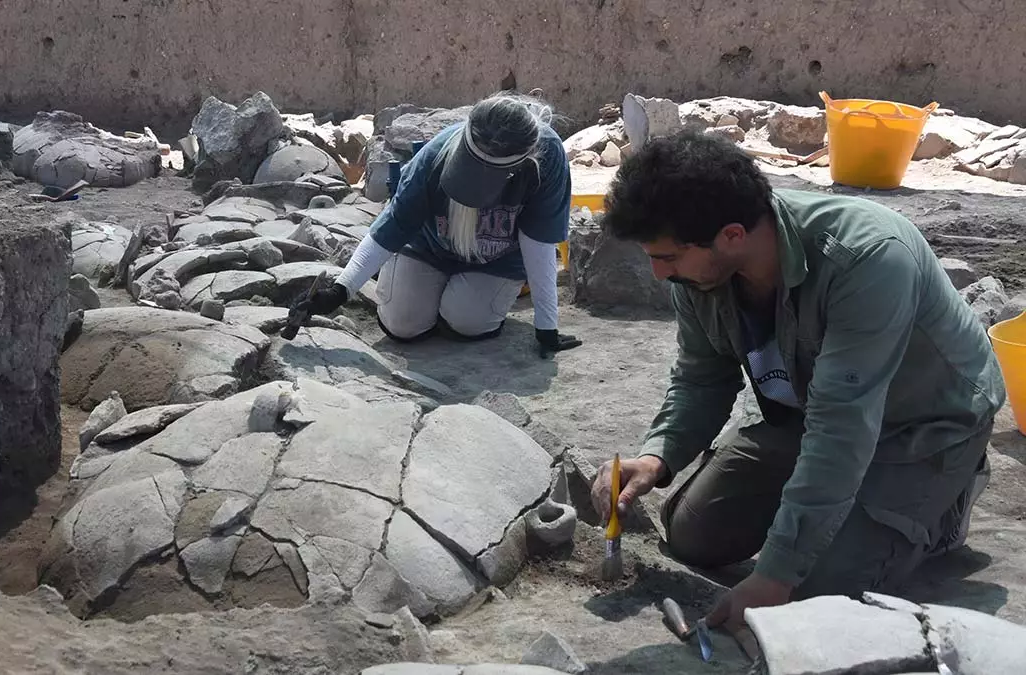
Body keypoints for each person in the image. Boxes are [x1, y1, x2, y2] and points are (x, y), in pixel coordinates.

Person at [589, 129, 1005, 631]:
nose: (658, 275)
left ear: (733, 235)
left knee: (814, 595)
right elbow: (702, 381)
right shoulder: (701, 271)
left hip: (923, 425)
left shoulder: (868, 257)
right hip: (813, 411)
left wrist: (777, 574)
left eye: (668, 258)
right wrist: (658, 456)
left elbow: (842, 427)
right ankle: (835, 509)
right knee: (693, 535)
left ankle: (942, 503)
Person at [290, 91, 582, 355]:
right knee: (402, 325)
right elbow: (392, 226)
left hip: (497, 259)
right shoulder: (434, 155)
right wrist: (338, 292)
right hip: (428, 247)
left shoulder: (547, 158)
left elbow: (539, 243)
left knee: (467, 324)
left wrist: (546, 328)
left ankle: (458, 301)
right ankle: (428, 291)